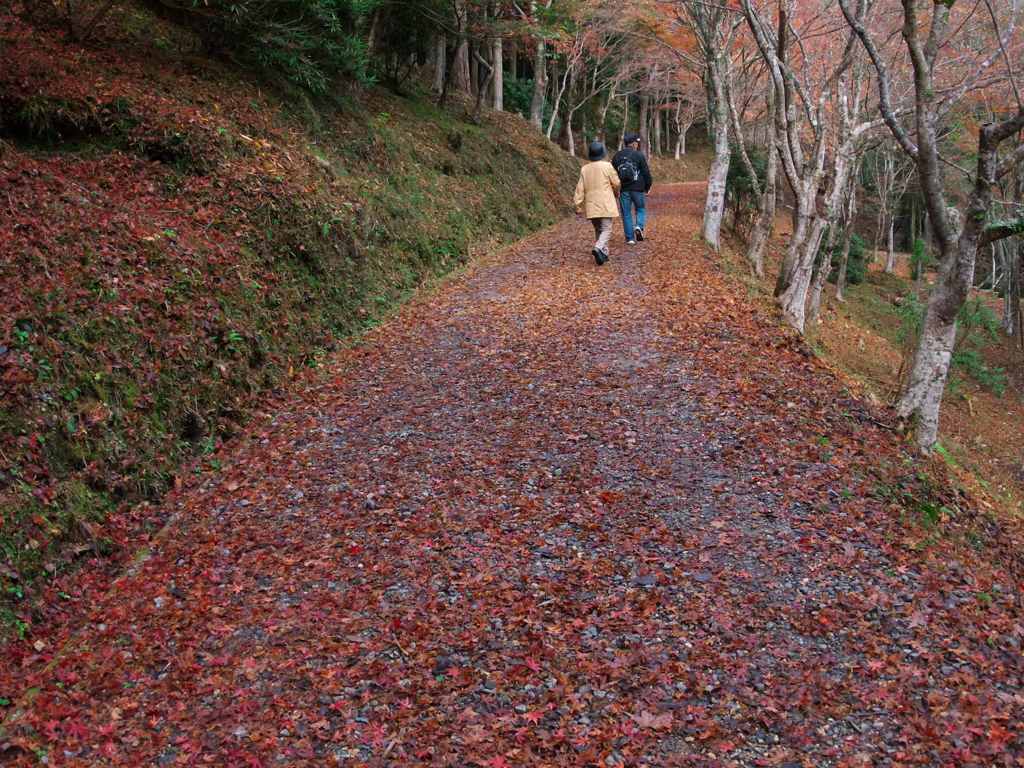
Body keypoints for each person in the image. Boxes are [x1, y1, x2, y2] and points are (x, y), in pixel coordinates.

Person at [574, 141, 621, 266]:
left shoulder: (585, 169)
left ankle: (603, 254)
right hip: (605, 202)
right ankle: (599, 247)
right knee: (606, 229)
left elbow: (580, 188)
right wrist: (616, 192)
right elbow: (616, 183)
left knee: (598, 229)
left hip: (591, 204)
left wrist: (577, 204)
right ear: (602, 153)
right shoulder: (607, 166)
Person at [612, 132, 653, 244]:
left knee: (626, 213)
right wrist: (647, 186)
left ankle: (630, 238)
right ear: (633, 143)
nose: (637, 144)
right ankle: (639, 226)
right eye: (637, 142)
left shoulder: (617, 156)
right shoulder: (639, 155)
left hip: (624, 189)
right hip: (638, 189)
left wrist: (615, 189)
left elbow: (613, 174)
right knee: (640, 209)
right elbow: (646, 173)